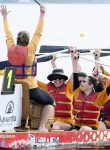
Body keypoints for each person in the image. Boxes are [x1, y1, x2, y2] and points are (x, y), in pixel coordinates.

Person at [0, 4, 54, 132]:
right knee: (50, 101)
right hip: (28, 86)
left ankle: (7, 124)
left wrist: (5, 17)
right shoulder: (31, 49)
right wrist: (42, 14)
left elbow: (7, 33)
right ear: (28, 41)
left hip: (11, 84)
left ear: (17, 40)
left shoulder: (10, 46)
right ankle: (41, 127)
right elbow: (38, 33)